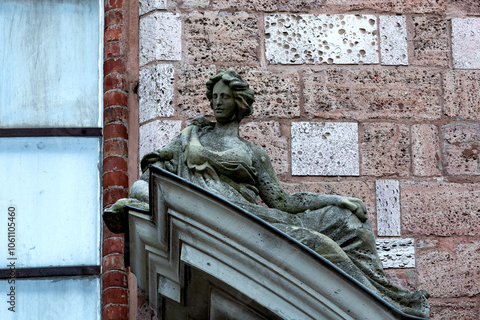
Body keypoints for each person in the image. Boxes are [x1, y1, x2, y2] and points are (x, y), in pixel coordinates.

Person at [105, 69, 430, 318]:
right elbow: (155, 172)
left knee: (343, 226)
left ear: (239, 102)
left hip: (251, 216)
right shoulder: (193, 135)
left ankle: (378, 299)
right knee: (321, 244)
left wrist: (337, 200)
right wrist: (137, 198)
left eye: (224, 97)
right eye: (214, 97)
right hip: (210, 216)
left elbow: (283, 202)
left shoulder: (253, 154)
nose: (217, 103)